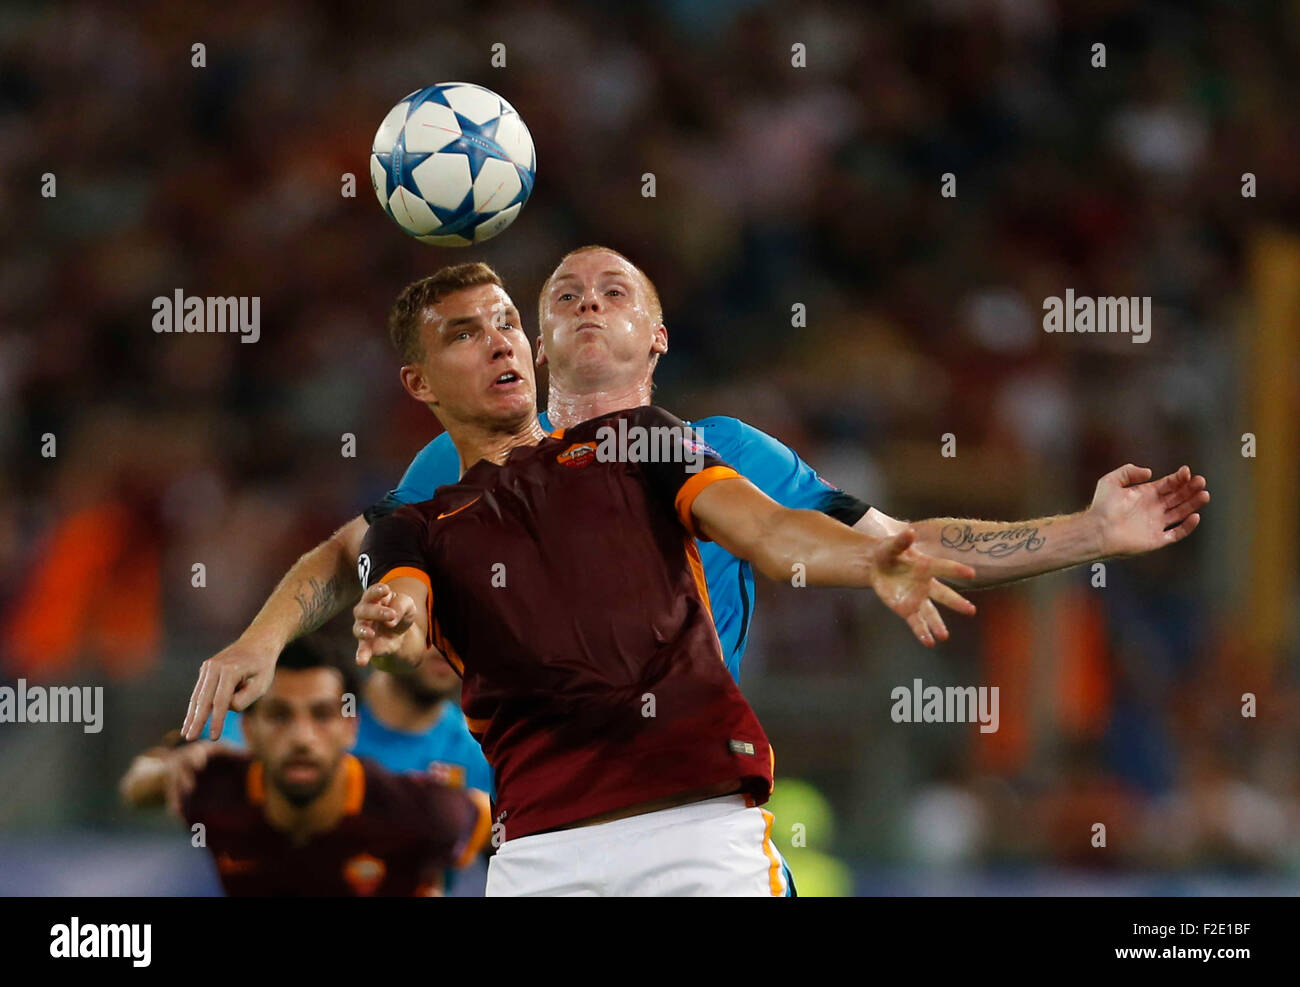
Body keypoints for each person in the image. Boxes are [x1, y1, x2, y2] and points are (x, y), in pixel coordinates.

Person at [180, 246, 1209, 745]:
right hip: (522, 805)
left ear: (658, 338)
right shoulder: (463, 471)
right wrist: (261, 638)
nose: (587, 303)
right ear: (535, 346)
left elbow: (906, 541)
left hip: (688, 798)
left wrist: (1088, 531)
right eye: (565, 298)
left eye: (615, 292)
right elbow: (343, 553)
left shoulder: (721, 453)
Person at [346, 263, 976, 895]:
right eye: (464, 334)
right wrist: (393, 628)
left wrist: (870, 560)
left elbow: (771, 533)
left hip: (699, 839)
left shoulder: (643, 440)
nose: (498, 342)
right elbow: (400, 627)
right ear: (418, 382)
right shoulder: (411, 527)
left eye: (507, 322)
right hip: (539, 861)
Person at [124, 639, 490, 896]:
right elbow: (140, 785)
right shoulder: (217, 781)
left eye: (320, 716)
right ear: (249, 731)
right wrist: (170, 767)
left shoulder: (431, 808)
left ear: (350, 726)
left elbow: (510, 827)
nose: (302, 737)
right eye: (280, 716)